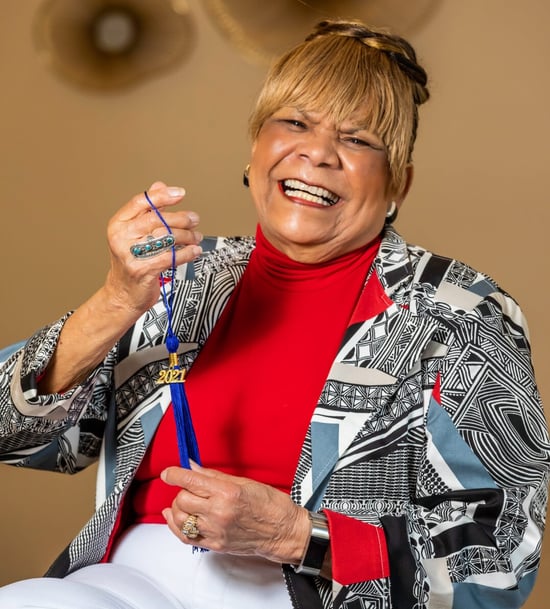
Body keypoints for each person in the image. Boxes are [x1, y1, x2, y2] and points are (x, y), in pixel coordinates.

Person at [0, 18, 548, 609]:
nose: (317, 153)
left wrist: (295, 537)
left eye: (358, 139)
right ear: (256, 147)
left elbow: (500, 559)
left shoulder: (457, 312)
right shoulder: (182, 278)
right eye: (294, 122)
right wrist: (112, 303)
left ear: (399, 184)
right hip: (126, 588)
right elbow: (15, 435)